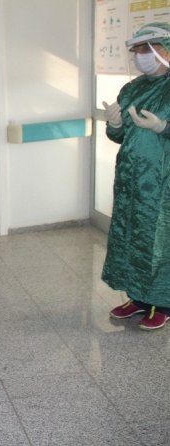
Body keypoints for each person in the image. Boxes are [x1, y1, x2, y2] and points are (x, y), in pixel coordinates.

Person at [102, 22, 170, 330]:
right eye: (137, 50)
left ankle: (163, 303)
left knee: (159, 240)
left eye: (146, 49)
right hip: (131, 179)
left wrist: (163, 127)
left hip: (163, 180)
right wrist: (115, 125)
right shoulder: (132, 88)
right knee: (131, 236)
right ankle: (138, 297)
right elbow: (120, 137)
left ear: (163, 50)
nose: (140, 56)